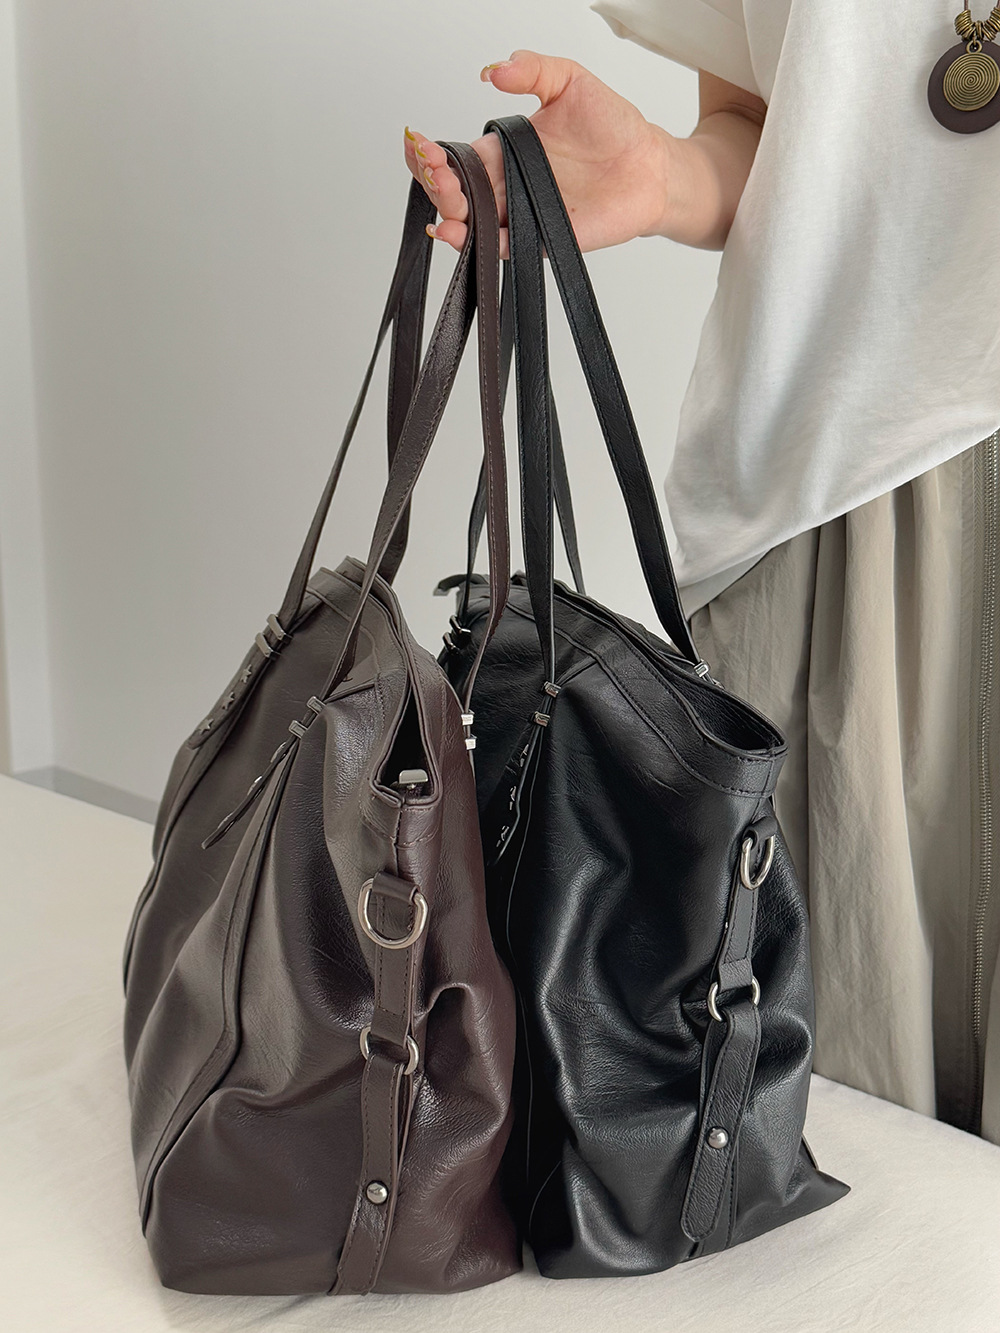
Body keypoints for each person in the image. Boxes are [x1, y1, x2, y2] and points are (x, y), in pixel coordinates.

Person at [402, 2, 1000, 1147]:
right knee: (830, 1136)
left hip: (837, 485)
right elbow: (780, 132)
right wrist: (663, 177)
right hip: (836, 495)